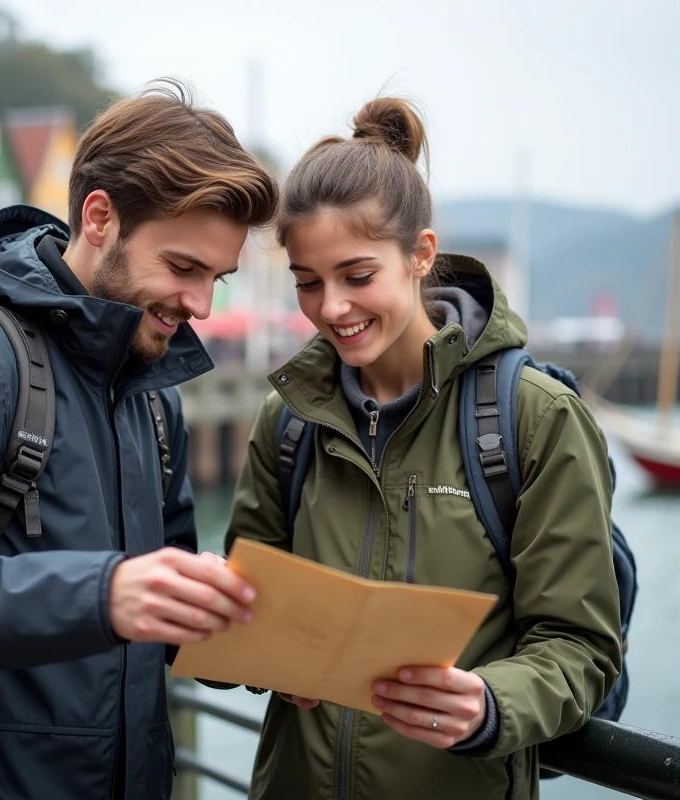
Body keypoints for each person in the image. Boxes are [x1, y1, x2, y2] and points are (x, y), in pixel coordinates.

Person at [0, 81, 279, 800]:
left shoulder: (152, 396)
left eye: (217, 277)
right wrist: (100, 595)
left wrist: (282, 656)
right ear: (99, 217)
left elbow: (162, 611)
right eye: (184, 267)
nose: (200, 304)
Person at [224, 98, 623, 799]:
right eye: (307, 283)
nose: (331, 308)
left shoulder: (535, 418)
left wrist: (490, 703)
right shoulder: (286, 420)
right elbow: (256, 602)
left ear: (421, 256)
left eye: (357, 275)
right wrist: (262, 653)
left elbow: (580, 645)